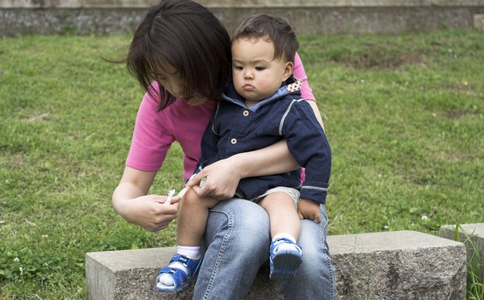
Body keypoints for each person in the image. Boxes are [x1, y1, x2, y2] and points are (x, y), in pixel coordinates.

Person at [111, 0, 336, 299]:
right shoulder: (160, 99)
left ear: (211, 56)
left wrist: (237, 166)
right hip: (218, 202)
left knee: (306, 254)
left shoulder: (264, 57)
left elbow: (312, 138)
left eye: (182, 73)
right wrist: (128, 208)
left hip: (289, 193)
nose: (176, 89)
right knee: (249, 225)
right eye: (163, 76)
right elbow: (129, 186)